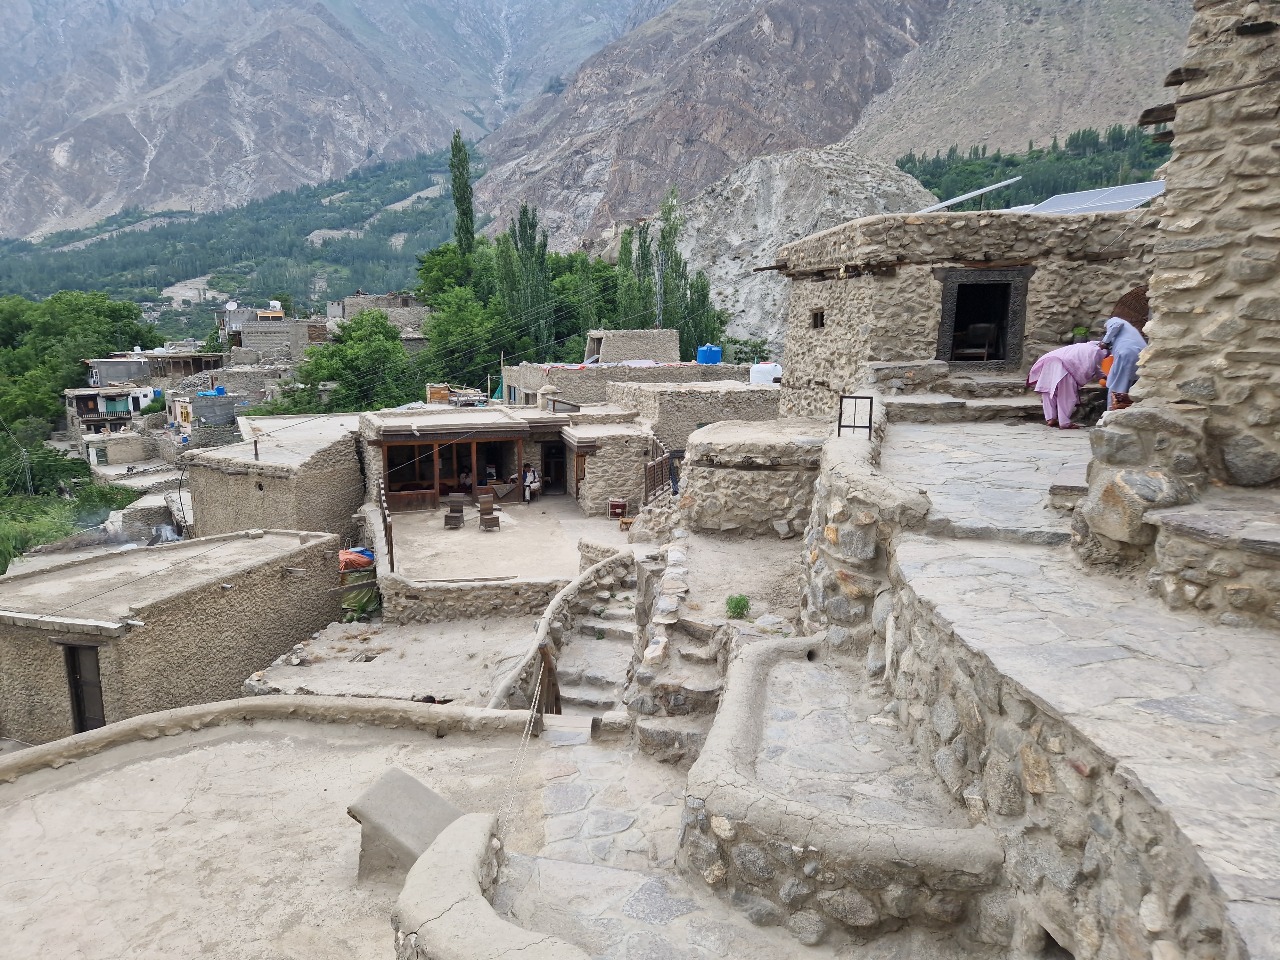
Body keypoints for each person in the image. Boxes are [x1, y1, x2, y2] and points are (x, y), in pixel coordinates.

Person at [1026, 341, 1105, 429]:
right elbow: (1090, 366)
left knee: (1048, 392)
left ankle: (1051, 418)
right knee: (1066, 396)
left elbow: (1094, 366)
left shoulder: (1081, 346)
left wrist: (1102, 375)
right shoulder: (1096, 350)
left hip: (1050, 362)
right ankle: (1064, 422)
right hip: (1065, 367)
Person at [1102, 315, 1148, 411]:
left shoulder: (1113, 320)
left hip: (1127, 353)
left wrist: (1104, 342)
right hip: (1141, 355)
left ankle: (1111, 413)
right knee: (1129, 387)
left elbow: (1117, 324)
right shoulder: (1130, 330)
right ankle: (1125, 412)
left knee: (1116, 386)